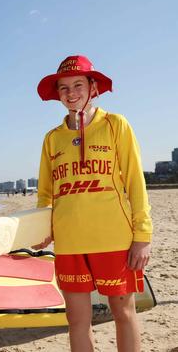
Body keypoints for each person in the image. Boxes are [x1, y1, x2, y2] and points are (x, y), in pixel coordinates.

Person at [34, 55, 152, 351]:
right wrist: (39, 230)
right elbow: (45, 194)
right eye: (63, 88)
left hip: (114, 238)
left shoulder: (115, 125)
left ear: (93, 87)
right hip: (70, 241)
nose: (71, 93)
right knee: (77, 319)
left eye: (77, 85)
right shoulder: (52, 138)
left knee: (123, 312)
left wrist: (143, 236)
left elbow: (136, 182)